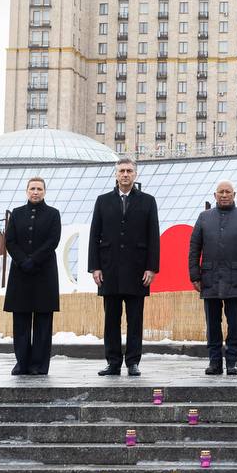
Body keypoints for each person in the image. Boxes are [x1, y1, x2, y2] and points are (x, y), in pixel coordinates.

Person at [87, 157, 160, 377]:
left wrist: (151, 268)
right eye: (121, 171)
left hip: (138, 270)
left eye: (129, 171)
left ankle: (133, 362)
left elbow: (153, 236)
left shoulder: (148, 201)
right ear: (116, 174)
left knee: (135, 319)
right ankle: (113, 362)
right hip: (109, 270)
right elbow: (94, 235)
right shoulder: (102, 201)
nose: (125, 174)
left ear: (135, 174)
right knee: (111, 319)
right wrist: (95, 267)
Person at [189, 179, 237, 376]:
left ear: (234, 195)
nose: (224, 195)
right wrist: (194, 275)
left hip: (236, 278)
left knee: (234, 322)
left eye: (228, 192)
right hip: (209, 277)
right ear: (215, 195)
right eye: (221, 192)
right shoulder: (204, 217)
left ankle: (232, 361)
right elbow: (194, 248)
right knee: (212, 323)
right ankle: (214, 362)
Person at [3, 177, 61, 376]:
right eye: (32, 188)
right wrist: (23, 260)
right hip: (20, 274)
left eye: (39, 189)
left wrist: (34, 260)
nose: (35, 192)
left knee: (43, 321)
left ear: (44, 191)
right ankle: (22, 363)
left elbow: (53, 240)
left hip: (44, 273)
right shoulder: (17, 213)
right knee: (21, 321)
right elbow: (10, 241)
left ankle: (39, 365)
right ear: (26, 191)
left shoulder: (53, 214)